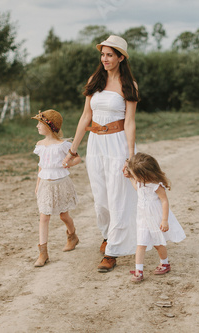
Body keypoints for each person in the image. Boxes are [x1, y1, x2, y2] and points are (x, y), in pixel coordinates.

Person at [63, 35, 139, 272]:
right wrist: (73, 149)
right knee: (101, 198)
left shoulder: (129, 86)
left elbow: (130, 122)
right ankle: (107, 235)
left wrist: (130, 156)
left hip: (117, 144)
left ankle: (112, 251)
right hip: (96, 143)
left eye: (109, 55)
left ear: (120, 57)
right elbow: (86, 116)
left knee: (117, 196)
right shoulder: (95, 80)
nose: (104, 59)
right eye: (102, 54)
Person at [124, 152, 186, 282]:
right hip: (142, 218)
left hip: (155, 218)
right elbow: (137, 188)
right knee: (140, 243)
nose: (134, 178)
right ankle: (138, 271)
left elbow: (164, 201)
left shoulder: (156, 186)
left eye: (135, 175)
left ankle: (165, 263)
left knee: (158, 243)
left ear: (145, 175)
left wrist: (164, 220)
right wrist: (130, 177)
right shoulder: (140, 181)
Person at [32, 109, 81, 267]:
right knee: (44, 217)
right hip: (46, 184)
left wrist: (69, 163)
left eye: (40, 123)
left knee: (63, 215)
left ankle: (72, 235)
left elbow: (77, 158)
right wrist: (38, 184)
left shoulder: (63, 145)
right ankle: (43, 253)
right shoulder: (40, 145)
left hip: (61, 184)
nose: (37, 127)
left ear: (50, 126)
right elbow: (41, 166)